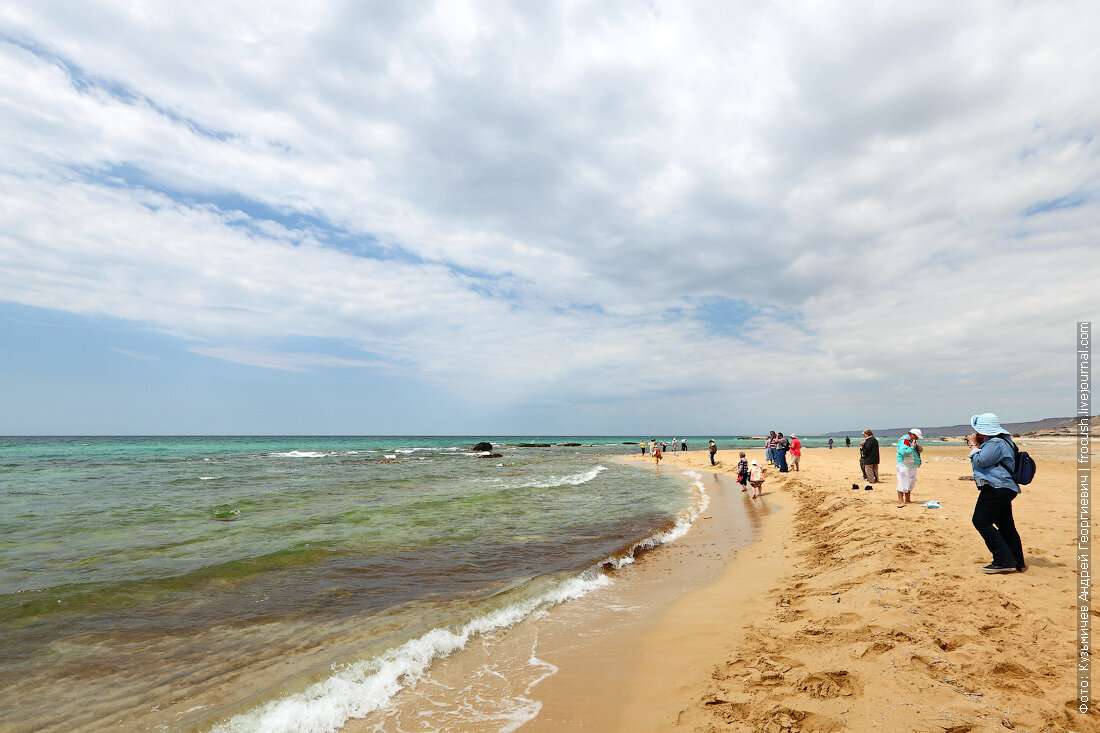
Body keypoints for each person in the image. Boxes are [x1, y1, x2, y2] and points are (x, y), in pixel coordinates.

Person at [967, 413, 1025, 573]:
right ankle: (1016, 561)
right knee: (1006, 526)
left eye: (977, 431)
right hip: (1003, 487)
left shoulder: (995, 443)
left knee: (980, 521)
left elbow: (980, 461)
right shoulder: (1002, 441)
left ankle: (1004, 560)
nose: (975, 434)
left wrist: (973, 445)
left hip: (996, 487)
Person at [895, 428, 923, 507]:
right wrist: (912, 447)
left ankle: (908, 499)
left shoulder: (912, 441)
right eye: (917, 437)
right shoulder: (904, 441)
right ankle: (900, 500)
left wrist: (919, 449)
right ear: (912, 435)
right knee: (903, 481)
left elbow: (913, 451)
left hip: (912, 465)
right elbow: (903, 452)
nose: (917, 439)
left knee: (912, 481)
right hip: (904, 465)